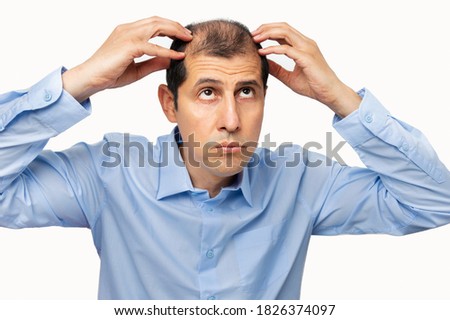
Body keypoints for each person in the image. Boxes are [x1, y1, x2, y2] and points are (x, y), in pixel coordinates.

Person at [0, 16, 449, 300]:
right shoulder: (106, 174)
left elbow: (434, 202)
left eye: (247, 92)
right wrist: (79, 82)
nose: (231, 120)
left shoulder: (303, 180)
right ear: (170, 105)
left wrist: (340, 98)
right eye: (208, 93)